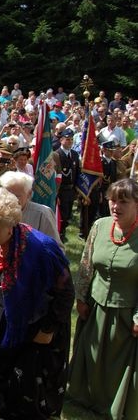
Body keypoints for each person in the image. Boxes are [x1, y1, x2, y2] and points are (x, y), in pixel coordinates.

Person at [0, 187, 74, 420]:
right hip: (0, 324)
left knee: (30, 392)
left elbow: (66, 294)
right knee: (1, 381)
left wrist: (47, 329)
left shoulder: (42, 249)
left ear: (11, 224)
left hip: (35, 330)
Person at [68, 178, 138, 420]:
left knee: (118, 364)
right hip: (96, 307)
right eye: (112, 200)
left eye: (123, 201)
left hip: (128, 315)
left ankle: (114, 405)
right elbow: (86, 264)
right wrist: (81, 297)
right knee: (92, 357)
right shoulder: (100, 225)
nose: (115, 206)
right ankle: (86, 396)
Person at [0, 171, 63, 249]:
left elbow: (57, 248)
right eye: (7, 195)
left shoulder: (42, 214)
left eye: (17, 196)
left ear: (29, 194)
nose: (11, 200)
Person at [56, 128, 80, 242]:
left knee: (68, 213)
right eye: (67, 139)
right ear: (61, 140)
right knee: (62, 213)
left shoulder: (74, 155)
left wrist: (76, 189)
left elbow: (77, 172)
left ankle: (63, 231)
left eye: (71, 140)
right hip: (61, 189)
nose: (69, 142)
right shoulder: (57, 155)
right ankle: (60, 233)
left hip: (71, 189)